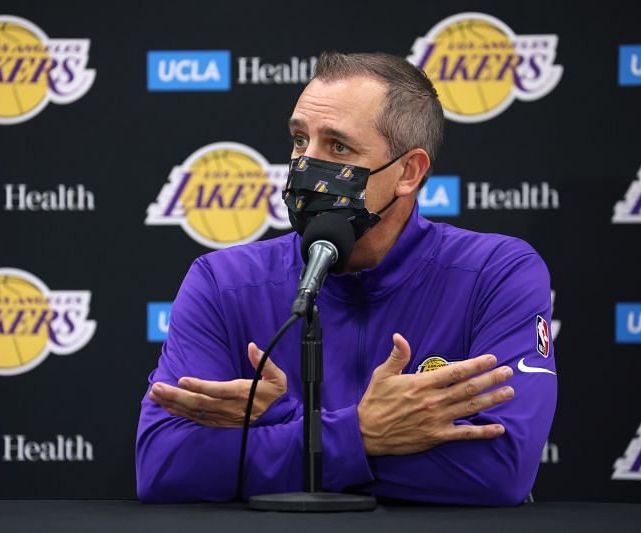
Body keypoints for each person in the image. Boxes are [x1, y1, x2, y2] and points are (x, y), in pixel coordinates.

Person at [136, 51, 557, 506]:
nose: (305, 165)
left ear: (407, 172)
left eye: (338, 147)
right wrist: (360, 433)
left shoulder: (497, 273)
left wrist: (281, 424)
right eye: (300, 140)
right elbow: (166, 465)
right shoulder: (222, 282)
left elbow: (500, 468)